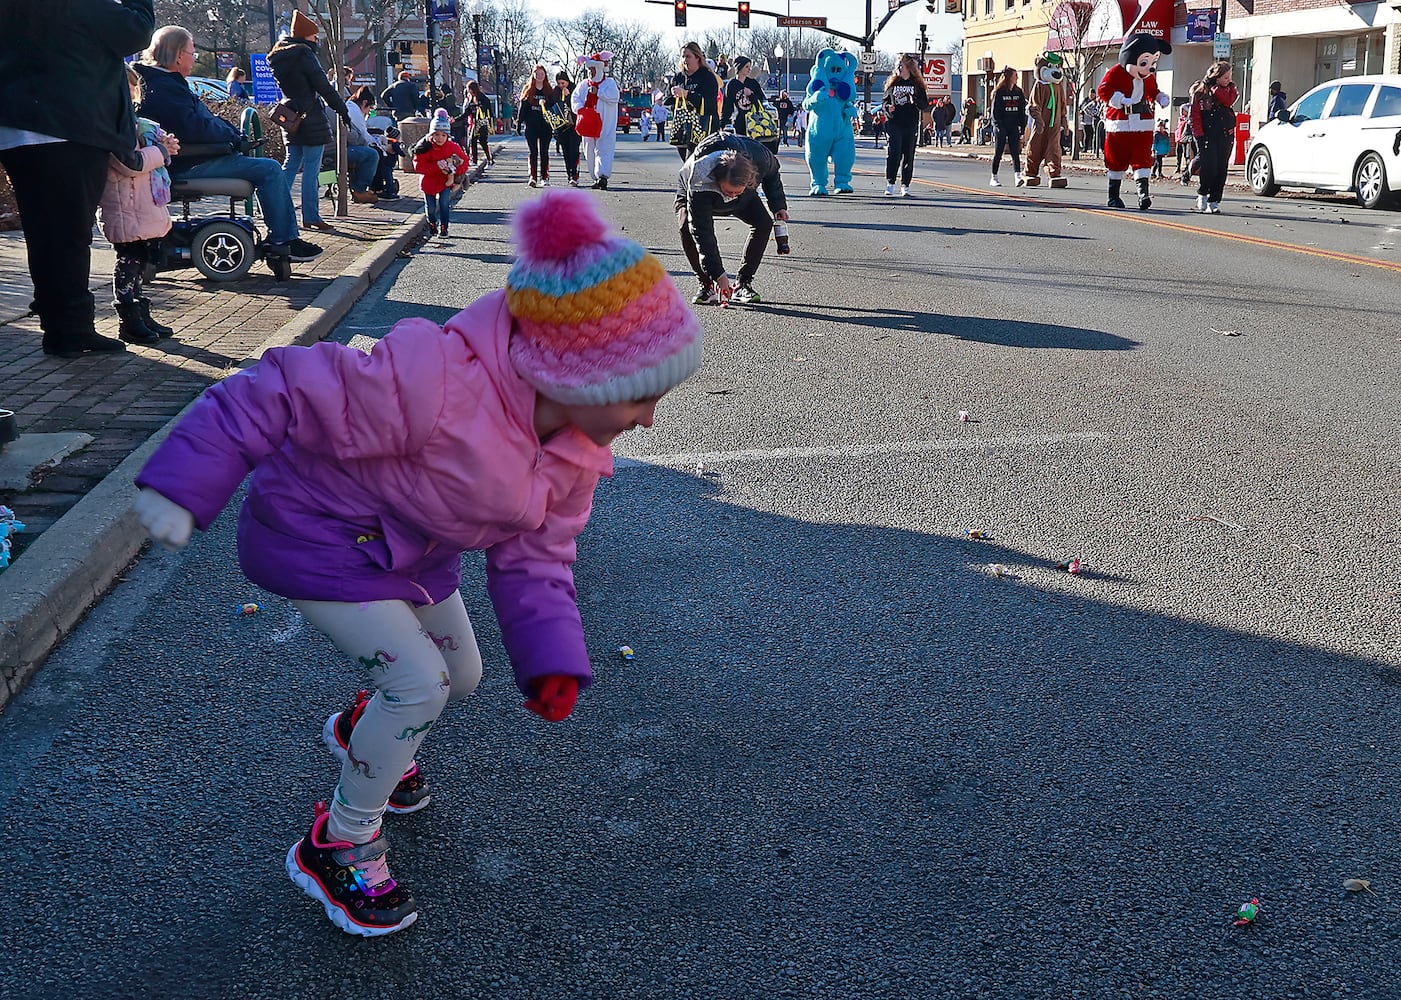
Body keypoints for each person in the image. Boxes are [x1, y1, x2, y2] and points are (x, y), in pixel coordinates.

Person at [130, 187, 703, 939]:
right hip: (317, 539)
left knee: (458, 680)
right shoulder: (430, 382)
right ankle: (338, 844)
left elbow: (537, 558)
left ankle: (370, 729)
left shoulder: (574, 453)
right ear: (578, 380)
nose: (648, 419)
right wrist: (183, 483)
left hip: (409, 554)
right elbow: (273, 389)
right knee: (419, 685)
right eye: (639, 397)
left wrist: (551, 658)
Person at [0, 0, 153, 359]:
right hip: (68, 127)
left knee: (44, 234)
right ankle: (71, 329)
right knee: (69, 234)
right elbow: (136, 31)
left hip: (17, 129)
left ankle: (58, 324)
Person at [135, 27, 322, 265]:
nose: (194, 59)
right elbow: (194, 128)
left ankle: (283, 238)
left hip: (191, 158)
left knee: (266, 167)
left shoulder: (162, 83)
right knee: (269, 169)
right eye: (193, 54)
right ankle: (283, 241)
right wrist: (233, 139)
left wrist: (232, 134)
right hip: (188, 163)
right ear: (179, 54)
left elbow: (203, 122)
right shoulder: (164, 88)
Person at [97, 65, 179, 347]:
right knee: (128, 260)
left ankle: (140, 311)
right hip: (125, 202)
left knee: (140, 259)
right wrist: (161, 151)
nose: (133, 94)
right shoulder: (111, 123)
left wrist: (164, 144)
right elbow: (128, 163)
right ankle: (128, 316)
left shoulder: (131, 121)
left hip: (140, 202)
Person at [675, 131, 789, 306]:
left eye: (737, 191)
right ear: (717, 179)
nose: (732, 196)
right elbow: (702, 231)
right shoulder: (700, 177)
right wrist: (718, 274)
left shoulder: (760, 158)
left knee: (763, 223)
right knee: (686, 227)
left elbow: (773, 174)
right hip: (698, 192)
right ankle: (707, 285)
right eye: (729, 192)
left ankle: (742, 283)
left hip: (746, 192)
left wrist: (778, 205)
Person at [269, 11, 354, 229]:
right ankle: (311, 216)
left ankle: (275, 208)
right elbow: (323, 87)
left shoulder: (278, 57)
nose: (317, 40)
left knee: (291, 163)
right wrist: (342, 109)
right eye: (314, 36)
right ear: (305, 36)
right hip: (311, 118)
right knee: (311, 169)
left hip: (291, 115)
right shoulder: (304, 55)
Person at [1190, 61, 1238, 214]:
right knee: (1209, 167)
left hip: (1225, 134)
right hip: (1207, 135)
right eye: (1225, 77)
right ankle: (1203, 193)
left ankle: (1214, 200)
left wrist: (1223, 88)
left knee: (1221, 169)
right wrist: (1199, 135)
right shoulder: (1200, 93)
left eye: (1229, 77)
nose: (1228, 80)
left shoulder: (1230, 90)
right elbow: (1194, 116)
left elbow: (1228, 100)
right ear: (1216, 77)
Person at [411, 110, 468, 239]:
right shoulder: (424, 147)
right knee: (430, 207)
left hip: (445, 181)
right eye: (436, 134)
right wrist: (436, 165)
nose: (440, 138)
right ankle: (432, 223)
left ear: (448, 135)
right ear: (431, 134)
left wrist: (454, 169)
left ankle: (444, 228)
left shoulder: (453, 147)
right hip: (429, 182)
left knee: (444, 204)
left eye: (443, 135)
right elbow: (418, 166)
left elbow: (464, 162)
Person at [881, 54, 930, 197]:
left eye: (901, 66)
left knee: (908, 155)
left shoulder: (917, 85)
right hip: (895, 123)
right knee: (894, 153)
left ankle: (905, 185)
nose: (898, 69)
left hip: (910, 124)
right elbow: (884, 102)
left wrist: (914, 99)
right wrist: (887, 108)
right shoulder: (893, 84)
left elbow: (924, 104)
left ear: (908, 68)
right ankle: (890, 183)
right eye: (897, 66)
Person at [571, 52, 621, 189]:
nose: (591, 73)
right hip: (588, 123)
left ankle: (603, 176)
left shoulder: (609, 83)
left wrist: (598, 92)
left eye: (593, 70)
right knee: (589, 149)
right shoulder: (583, 85)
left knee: (604, 148)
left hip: (605, 123)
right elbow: (575, 99)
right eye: (589, 70)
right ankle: (595, 175)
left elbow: (614, 97)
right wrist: (580, 109)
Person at [668, 41, 721, 161]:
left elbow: (709, 105)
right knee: (687, 162)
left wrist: (687, 94)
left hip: (702, 127)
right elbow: (667, 101)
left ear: (697, 57)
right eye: (682, 56)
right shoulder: (678, 78)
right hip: (682, 127)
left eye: (688, 56)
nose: (685, 60)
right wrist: (673, 95)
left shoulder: (707, 77)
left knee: (693, 162)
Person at [344, 86, 387, 203]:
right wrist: (378, 144)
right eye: (370, 108)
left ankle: (374, 187)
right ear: (364, 103)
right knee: (373, 154)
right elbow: (361, 135)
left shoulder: (352, 108)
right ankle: (362, 189)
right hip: (346, 147)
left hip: (346, 145)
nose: (369, 111)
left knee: (375, 151)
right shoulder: (354, 112)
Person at [720, 56, 772, 150]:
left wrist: (751, 95)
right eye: (747, 67)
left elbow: (760, 101)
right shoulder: (732, 85)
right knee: (740, 149)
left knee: (752, 149)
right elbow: (727, 106)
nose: (749, 69)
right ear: (740, 68)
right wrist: (722, 123)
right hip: (739, 121)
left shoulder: (752, 83)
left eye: (749, 67)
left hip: (753, 122)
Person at [519, 65, 558, 187]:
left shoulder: (549, 91)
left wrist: (555, 125)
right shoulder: (528, 90)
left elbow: (554, 108)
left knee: (544, 152)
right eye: (537, 73)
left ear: (545, 75)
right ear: (533, 75)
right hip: (531, 126)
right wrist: (519, 123)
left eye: (542, 73)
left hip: (545, 126)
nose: (540, 76)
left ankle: (544, 176)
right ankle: (533, 176)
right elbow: (523, 108)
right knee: (533, 152)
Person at [989, 66, 1026, 187]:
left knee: (1015, 152)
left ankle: (1017, 176)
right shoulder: (999, 92)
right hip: (1001, 127)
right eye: (1015, 75)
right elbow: (995, 112)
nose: (1017, 78)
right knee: (999, 152)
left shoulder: (1018, 92)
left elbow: (1021, 110)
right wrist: (999, 126)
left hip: (1013, 126)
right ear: (1009, 77)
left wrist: (1022, 126)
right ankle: (994, 177)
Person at [553, 71, 582, 186]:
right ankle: (569, 174)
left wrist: (568, 96)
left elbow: (576, 106)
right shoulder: (556, 91)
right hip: (562, 127)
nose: (561, 85)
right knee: (566, 151)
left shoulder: (575, 89)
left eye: (563, 83)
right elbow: (553, 105)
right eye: (559, 83)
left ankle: (575, 174)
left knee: (573, 150)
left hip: (574, 125)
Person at [464, 79, 496, 169]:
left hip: (483, 122)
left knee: (481, 141)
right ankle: (475, 160)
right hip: (475, 122)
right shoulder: (471, 99)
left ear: (472, 89)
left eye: (468, 89)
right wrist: (455, 119)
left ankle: (489, 160)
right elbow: (467, 112)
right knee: (472, 140)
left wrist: (479, 107)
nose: (468, 91)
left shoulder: (482, 98)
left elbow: (488, 110)